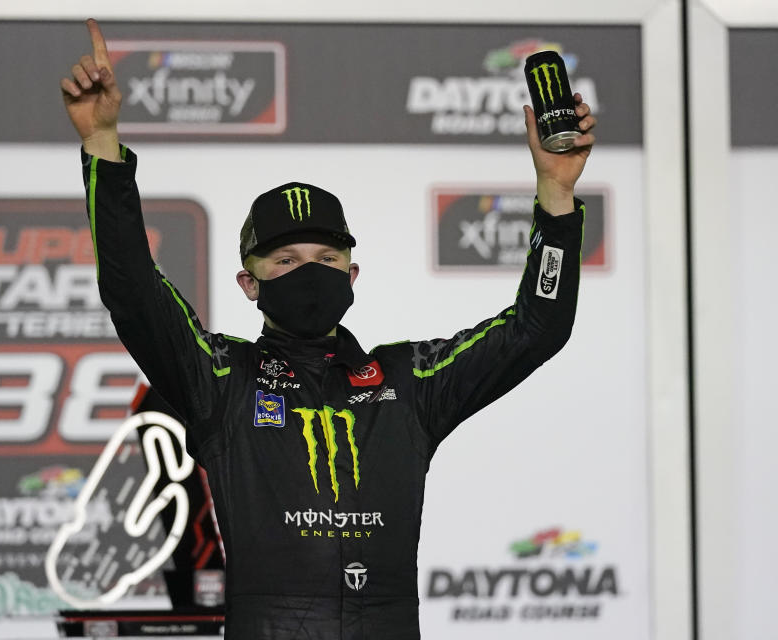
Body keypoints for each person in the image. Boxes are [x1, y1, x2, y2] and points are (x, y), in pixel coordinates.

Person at [61, 19, 595, 640]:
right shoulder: (221, 381)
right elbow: (132, 290)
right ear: (248, 284)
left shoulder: (411, 381)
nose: (308, 274)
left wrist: (556, 195)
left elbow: (538, 326)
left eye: (325, 259)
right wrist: (102, 143)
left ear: (353, 275)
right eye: (285, 262)